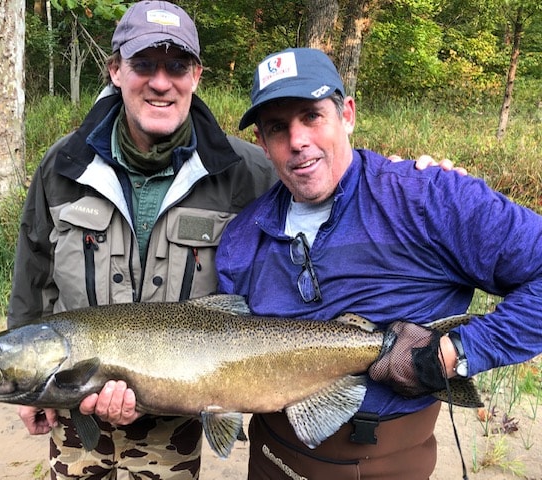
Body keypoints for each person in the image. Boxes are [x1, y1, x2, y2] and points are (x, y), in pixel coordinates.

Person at [215, 47, 542, 480]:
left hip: (392, 463)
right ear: (261, 142)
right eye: (278, 127)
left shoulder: (430, 198)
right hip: (271, 460)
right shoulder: (241, 239)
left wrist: (458, 352)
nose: (297, 141)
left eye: (312, 116)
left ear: (347, 115)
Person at [6, 2, 279, 478]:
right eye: (144, 64)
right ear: (115, 70)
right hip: (73, 403)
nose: (160, 82)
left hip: (180, 416)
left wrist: (408, 184)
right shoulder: (63, 164)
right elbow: (34, 271)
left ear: (196, 76)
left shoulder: (248, 172)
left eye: (177, 66)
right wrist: (25, 384)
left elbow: (323, 201)